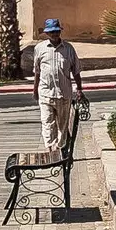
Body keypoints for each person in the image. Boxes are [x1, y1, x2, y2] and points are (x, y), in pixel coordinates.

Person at [31, 18, 85, 152]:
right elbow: (37, 72)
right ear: (47, 34)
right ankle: (51, 150)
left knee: (62, 125)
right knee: (47, 123)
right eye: (51, 32)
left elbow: (76, 71)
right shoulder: (39, 49)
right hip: (45, 94)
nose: (54, 34)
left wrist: (79, 89)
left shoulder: (68, 49)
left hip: (63, 95)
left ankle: (60, 150)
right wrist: (35, 90)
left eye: (56, 31)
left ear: (59, 32)